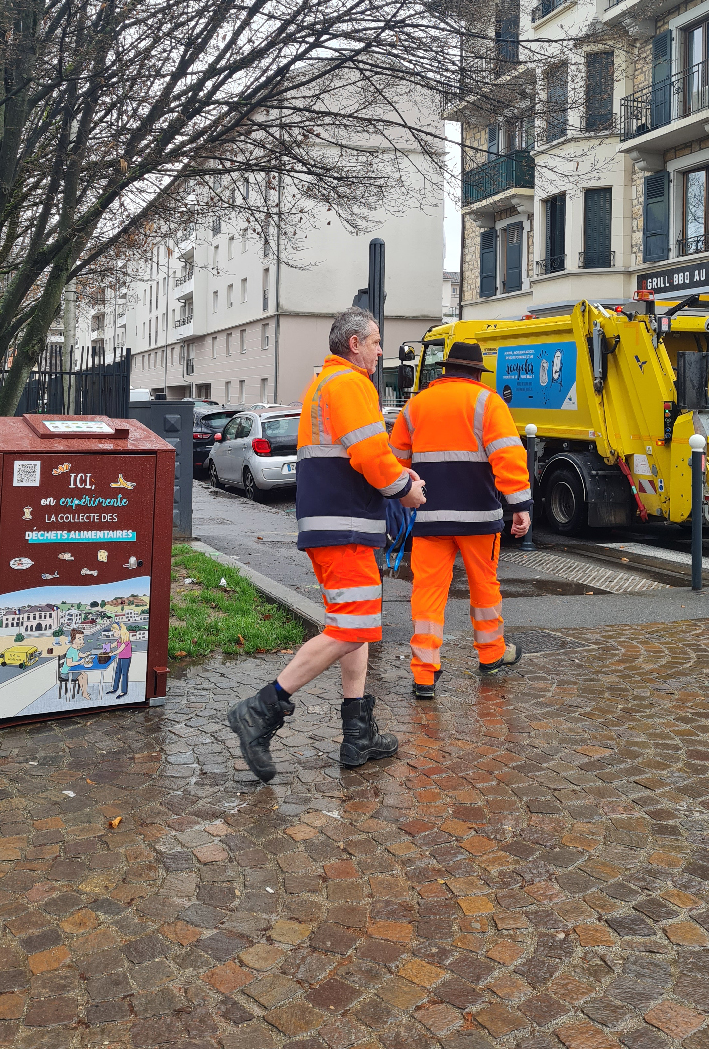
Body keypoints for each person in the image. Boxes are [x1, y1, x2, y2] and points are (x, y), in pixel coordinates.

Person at [227, 307, 426, 781]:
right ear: (355, 344)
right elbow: (372, 455)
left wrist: (398, 477)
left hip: (332, 525)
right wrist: (405, 489)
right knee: (351, 629)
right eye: (376, 342)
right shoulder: (352, 385)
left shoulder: (322, 384)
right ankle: (261, 708)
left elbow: (353, 454)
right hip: (347, 527)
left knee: (352, 625)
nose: (381, 351)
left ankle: (358, 733)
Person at [389, 341, 532, 697]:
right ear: (475, 373)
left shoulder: (415, 405)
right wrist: (521, 506)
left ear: (446, 371)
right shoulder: (487, 403)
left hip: (429, 519)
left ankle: (424, 673)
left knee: (427, 595)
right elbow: (509, 458)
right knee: (484, 588)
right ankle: (491, 655)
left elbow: (394, 463)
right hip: (479, 519)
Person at [60, 628, 93, 700]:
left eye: (82, 638)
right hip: (66, 673)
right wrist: (79, 662)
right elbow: (69, 664)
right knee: (83, 675)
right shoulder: (70, 651)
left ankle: (84, 692)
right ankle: (84, 693)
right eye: (79, 639)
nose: (82, 641)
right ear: (73, 640)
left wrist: (85, 655)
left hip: (72, 670)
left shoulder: (75, 649)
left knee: (83, 675)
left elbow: (79, 654)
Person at [106, 622, 132, 698]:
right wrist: (106, 646)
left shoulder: (126, 640)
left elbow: (120, 649)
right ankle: (114, 688)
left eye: (115, 631)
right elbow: (112, 645)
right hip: (121, 658)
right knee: (117, 672)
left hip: (126, 658)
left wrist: (112, 653)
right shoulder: (119, 639)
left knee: (124, 674)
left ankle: (123, 691)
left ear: (120, 630)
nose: (114, 633)